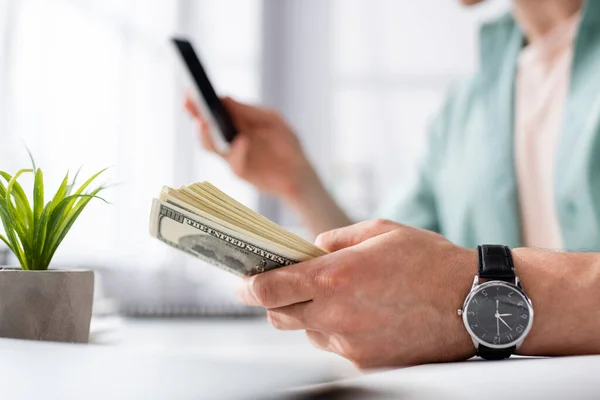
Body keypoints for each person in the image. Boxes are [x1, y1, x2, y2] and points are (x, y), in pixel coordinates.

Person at [186, 0, 600, 368]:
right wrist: (296, 180)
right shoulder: (466, 106)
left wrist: (458, 295)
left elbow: (436, 286)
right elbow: (388, 265)